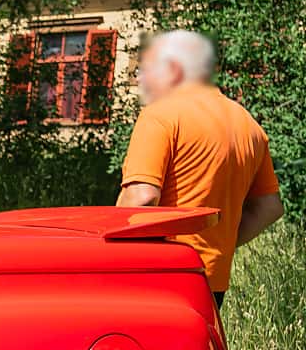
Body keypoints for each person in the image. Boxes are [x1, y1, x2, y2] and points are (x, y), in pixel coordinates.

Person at [118, 29, 284, 305]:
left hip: (160, 276)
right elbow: (270, 207)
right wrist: (222, 243)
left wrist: (111, 259)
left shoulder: (160, 115)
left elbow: (142, 197)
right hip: (212, 282)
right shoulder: (248, 124)